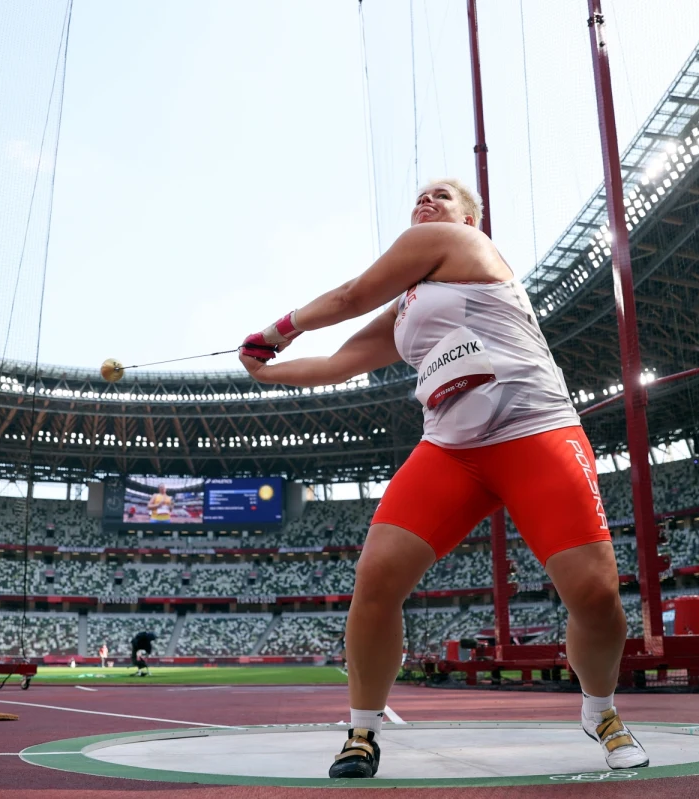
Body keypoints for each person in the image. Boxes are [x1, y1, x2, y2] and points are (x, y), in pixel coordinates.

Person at [239, 179, 646, 779]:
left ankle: (601, 712)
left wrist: (275, 333)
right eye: (421, 197)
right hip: (451, 452)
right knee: (376, 579)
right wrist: (264, 373)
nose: (427, 202)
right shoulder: (405, 308)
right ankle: (362, 731)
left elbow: (351, 294)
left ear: (469, 219)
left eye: (443, 196)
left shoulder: (460, 244)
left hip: (535, 432)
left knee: (595, 595)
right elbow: (338, 364)